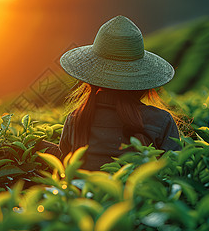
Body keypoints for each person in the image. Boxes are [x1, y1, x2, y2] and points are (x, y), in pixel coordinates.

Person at [46, 15, 181, 171]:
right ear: (142, 80)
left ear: (92, 79)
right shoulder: (161, 121)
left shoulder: (77, 119)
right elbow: (174, 174)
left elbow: (66, 170)